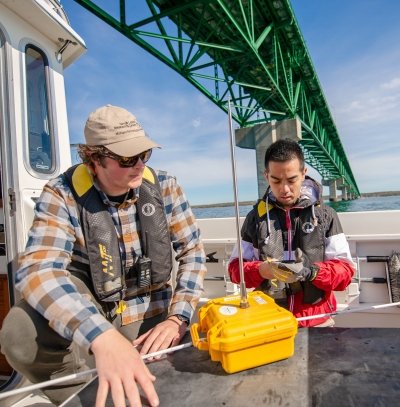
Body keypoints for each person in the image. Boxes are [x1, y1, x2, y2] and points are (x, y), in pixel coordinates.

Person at [0, 105, 206, 406]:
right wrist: (101, 336)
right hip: (94, 320)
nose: (138, 164)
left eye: (144, 155)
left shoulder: (166, 188)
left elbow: (193, 252)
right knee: (20, 332)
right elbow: (37, 270)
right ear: (94, 158)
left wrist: (177, 318)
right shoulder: (62, 195)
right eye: (126, 158)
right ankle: (89, 394)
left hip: (153, 320)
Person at [228, 138, 355, 327]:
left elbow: (345, 272)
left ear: (304, 173)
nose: (284, 189)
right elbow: (234, 271)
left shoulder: (326, 215)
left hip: (316, 321)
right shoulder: (254, 218)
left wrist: (312, 273)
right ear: (266, 176)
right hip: (268, 322)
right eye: (276, 180)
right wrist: (262, 270)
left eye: (292, 179)